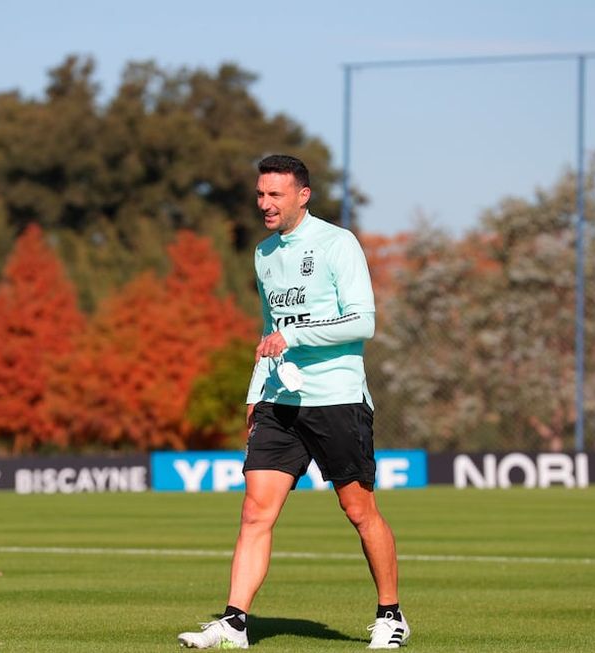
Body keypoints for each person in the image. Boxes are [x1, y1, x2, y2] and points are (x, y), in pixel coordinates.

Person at [178, 155, 409, 649]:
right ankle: (235, 622)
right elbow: (269, 329)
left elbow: (362, 322)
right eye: (260, 194)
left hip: (337, 398)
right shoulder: (263, 253)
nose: (265, 203)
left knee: (358, 510)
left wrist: (296, 336)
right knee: (255, 512)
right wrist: (255, 389)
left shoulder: (337, 243)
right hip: (279, 401)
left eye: (275, 194)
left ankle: (391, 615)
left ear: (303, 195)